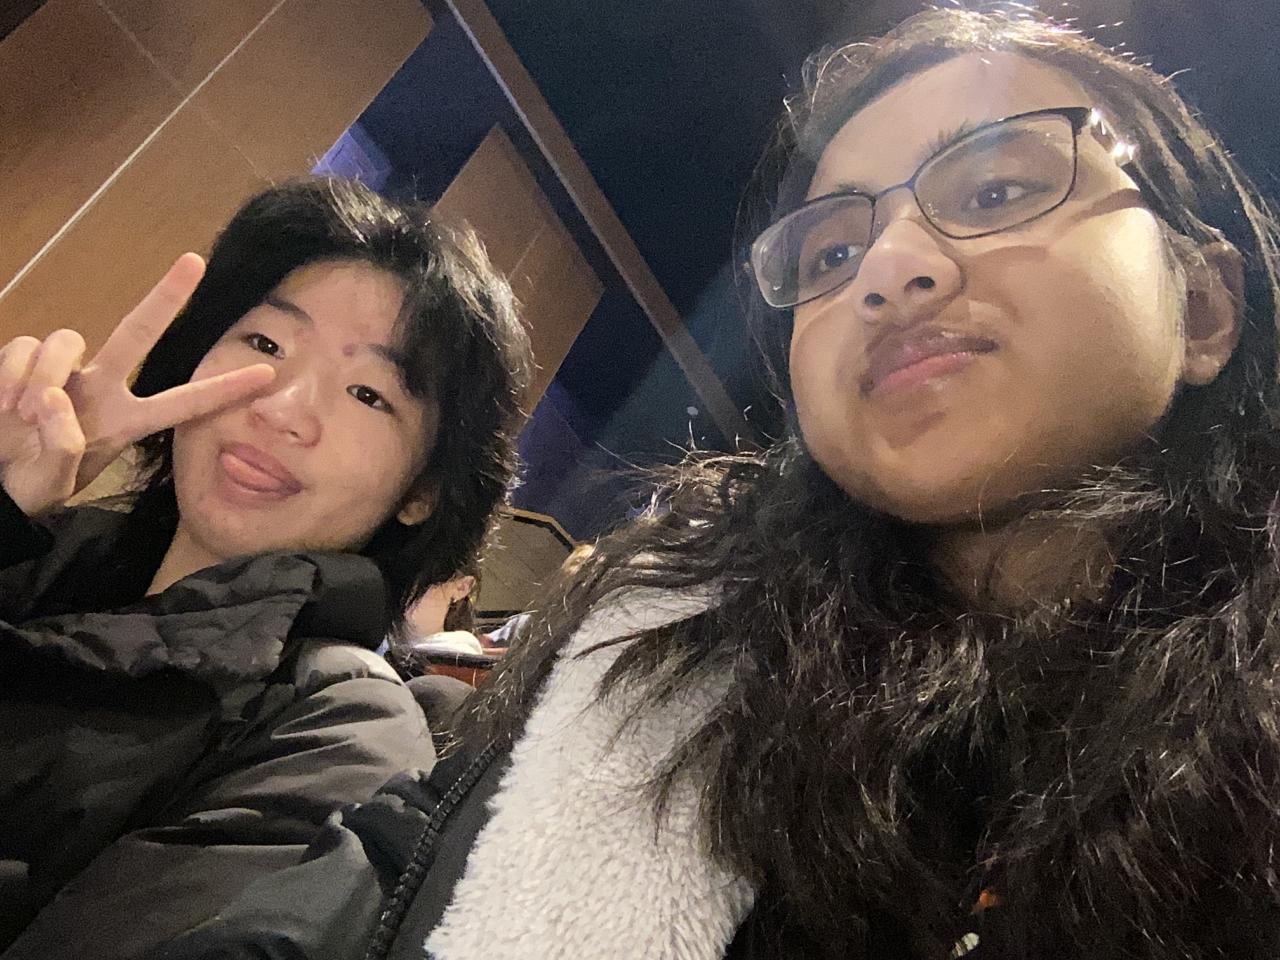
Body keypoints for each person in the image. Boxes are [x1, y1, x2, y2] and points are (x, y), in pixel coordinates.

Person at [155, 7, 1280, 959]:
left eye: (994, 190)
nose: (889, 266)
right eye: (831, 254)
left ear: (1202, 307)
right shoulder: (638, 664)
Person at [0, 177, 530, 959]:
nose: (282, 408)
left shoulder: (340, 732)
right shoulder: (45, 550)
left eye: (368, 394)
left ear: (423, 492)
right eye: (266, 345)